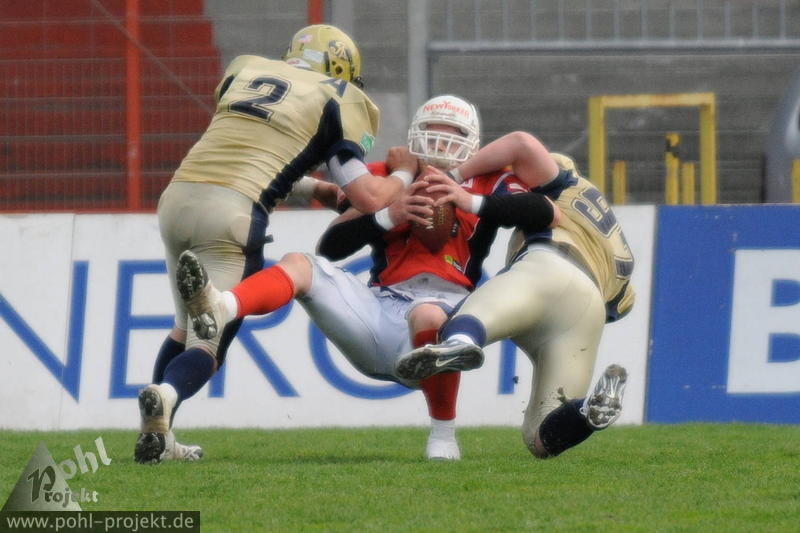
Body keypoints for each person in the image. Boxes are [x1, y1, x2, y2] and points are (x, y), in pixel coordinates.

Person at [175, 96, 560, 460]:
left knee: (428, 314)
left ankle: (443, 437)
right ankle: (222, 305)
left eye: (452, 132)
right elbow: (331, 246)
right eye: (432, 129)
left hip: (441, 316)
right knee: (300, 263)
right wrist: (391, 214)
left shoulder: (488, 180)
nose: (440, 141)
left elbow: (545, 213)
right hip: (378, 308)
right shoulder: (390, 177)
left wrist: (469, 200)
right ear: (415, 133)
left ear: (471, 142)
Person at [135, 24, 419, 464]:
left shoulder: (247, 70)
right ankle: (167, 394)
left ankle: (157, 435)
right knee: (208, 339)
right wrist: (404, 173)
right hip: (231, 214)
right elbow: (367, 197)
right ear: (341, 69)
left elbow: (247, 153)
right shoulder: (336, 95)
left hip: (177, 199)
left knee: (183, 324)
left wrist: (316, 189)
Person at [395, 131, 635, 459]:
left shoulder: (563, 184)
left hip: (549, 266)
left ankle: (459, 343)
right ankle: (586, 412)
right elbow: (623, 304)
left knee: (471, 318)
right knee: (540, 437)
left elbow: (521, 143)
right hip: (588, 308)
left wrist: (457, 177)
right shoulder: (616, 240)